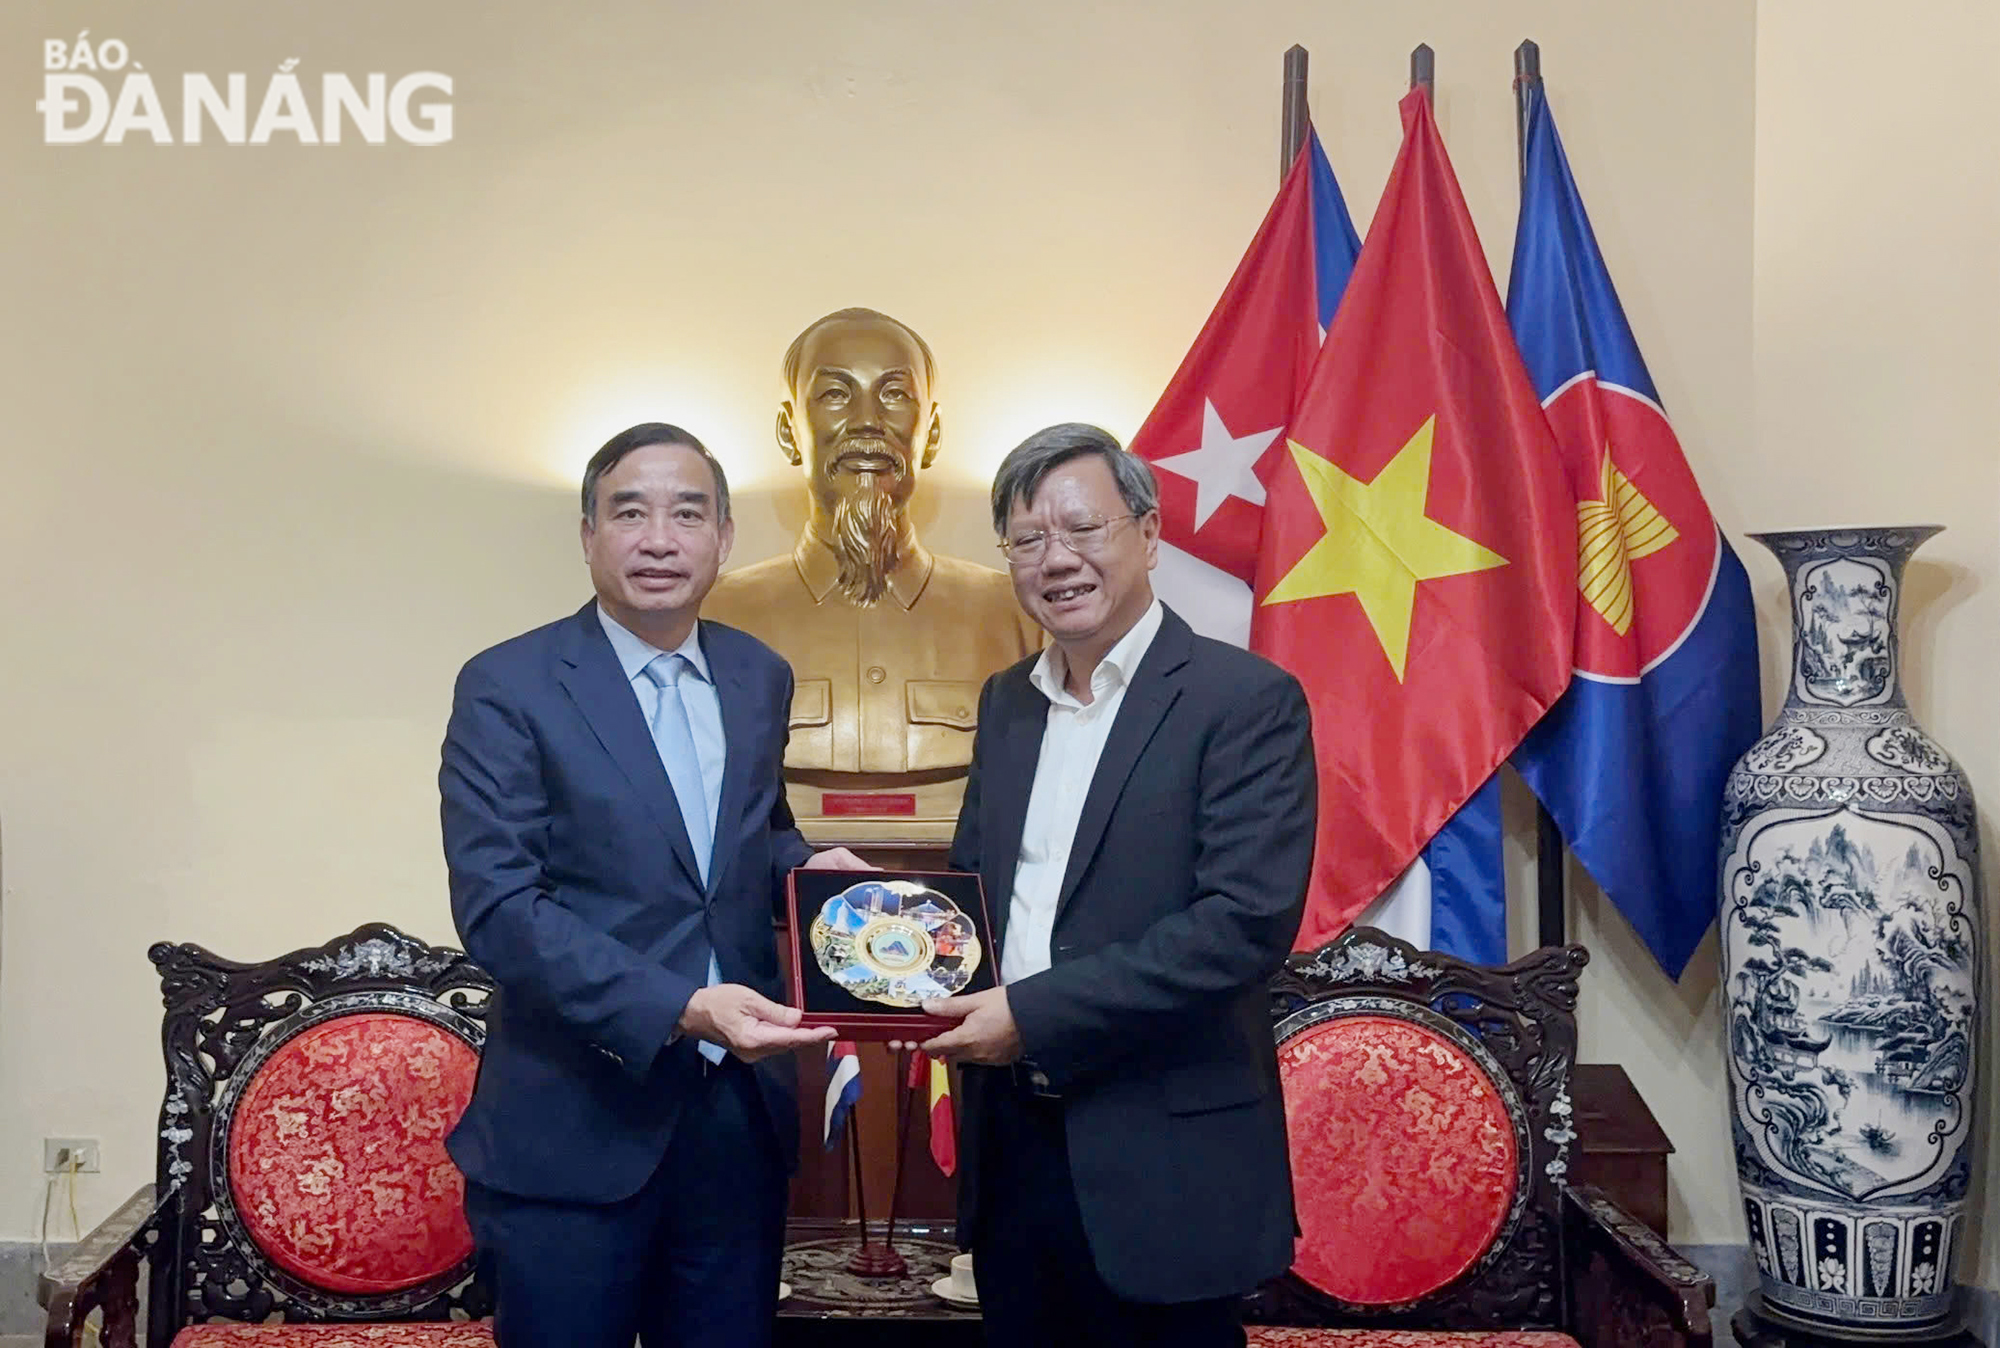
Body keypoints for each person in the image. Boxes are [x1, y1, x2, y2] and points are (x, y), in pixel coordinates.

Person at [439, 422, 868, 1348]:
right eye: (629, 512)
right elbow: (500, 910)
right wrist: (681, 1006)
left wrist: (811, 875)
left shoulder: (758, 675)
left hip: (734, 1124)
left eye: (688, 513)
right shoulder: (509, 685)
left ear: (723, 539)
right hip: (574, 1121)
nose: (659, 539)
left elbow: (747, 845)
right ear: (589, 534)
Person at [921, 423, 1317, 1348]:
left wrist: (1036, 1013)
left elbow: (1242, 925)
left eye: (1082, 529)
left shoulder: (1242, 700)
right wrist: (889, 938)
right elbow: (979, 896)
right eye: (1027, 540)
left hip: (1166, 1155)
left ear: (1148, 534)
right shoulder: (1006, 702)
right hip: (1013, 1143)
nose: (1055, 560)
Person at [703, 308, 1042, 831]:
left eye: (894, 395)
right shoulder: (715, 614)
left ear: (930, 434)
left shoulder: (1018, 614)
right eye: (836, 394)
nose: (867, 422)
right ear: (789, 433)